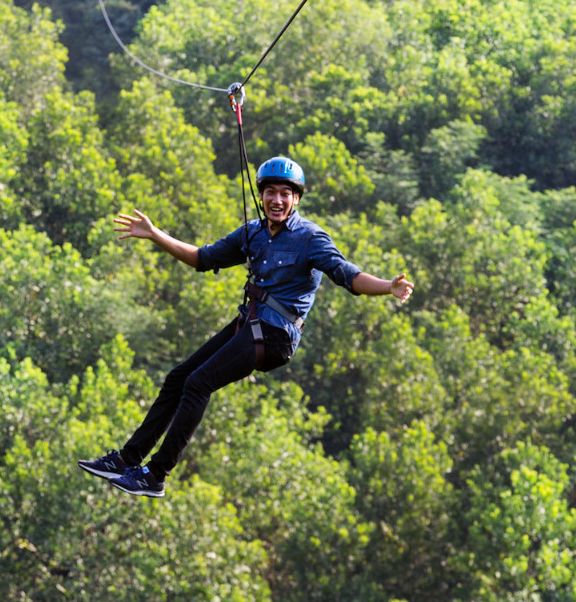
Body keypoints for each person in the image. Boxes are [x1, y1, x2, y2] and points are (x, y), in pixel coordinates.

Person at [78, 156, 413, 498]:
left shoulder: (310, 238)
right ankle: (127, 459)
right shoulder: (252, 233)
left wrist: (388, 286)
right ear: (261, 194)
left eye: (285, 193)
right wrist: (154, 235)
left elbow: (349, 276)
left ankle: (155, 475)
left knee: (197, 384)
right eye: (270, 192)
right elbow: (203, 258)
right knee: (178, 379)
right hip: (249, 325)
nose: (277, 200)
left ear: (296, 199)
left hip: (275, 337)